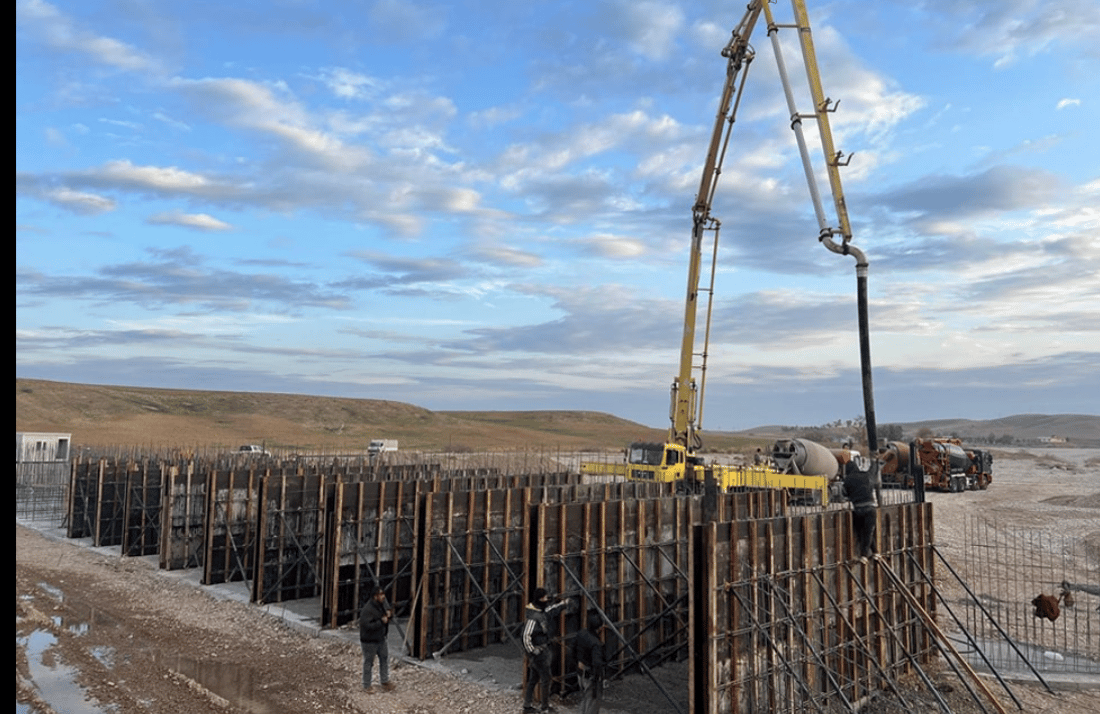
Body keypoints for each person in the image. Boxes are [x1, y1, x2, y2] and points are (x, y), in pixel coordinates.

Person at [522, 587, 570, 713]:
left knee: (533, 679)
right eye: (544, 597)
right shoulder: (534, 617)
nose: (546, 599)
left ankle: (527, 706)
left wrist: (562, 605)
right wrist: (533, 650)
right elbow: (526, 636)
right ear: (539, 599)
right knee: (545, 679)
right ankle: (544, 707)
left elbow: (550, 610)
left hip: (541, 651)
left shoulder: (539, 611)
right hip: (539, 653)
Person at [359, 587, 394, 692]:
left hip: (380, 639)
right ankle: (366, 685)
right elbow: (367, 626)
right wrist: (381, 621)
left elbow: (385, 619)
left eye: (383, 594)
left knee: (384, 659)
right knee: (369, 662)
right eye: (381, 594)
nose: (383, 596)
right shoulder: (368, 609)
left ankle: (384, 681)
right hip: (369, 641)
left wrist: (389, 616)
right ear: (375, 597)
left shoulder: (381, 606)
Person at [843, 461, 877, 561]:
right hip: (869, 508)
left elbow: (845, 494)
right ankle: (864, 555)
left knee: (863, 532)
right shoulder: (866, 475)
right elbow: (872, 485)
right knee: (869, 532)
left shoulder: (847, 479)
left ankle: (875, 552)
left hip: (857, 510)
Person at [573, 613, 607, 714]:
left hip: (581, 672)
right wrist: (597, 678)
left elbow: (573, 650)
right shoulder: (595, 643)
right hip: (590, 676)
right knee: (592, 704)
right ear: (600, 628)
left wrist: (578, 663)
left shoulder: (581, 633)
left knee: (585, 700)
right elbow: (597, 663)